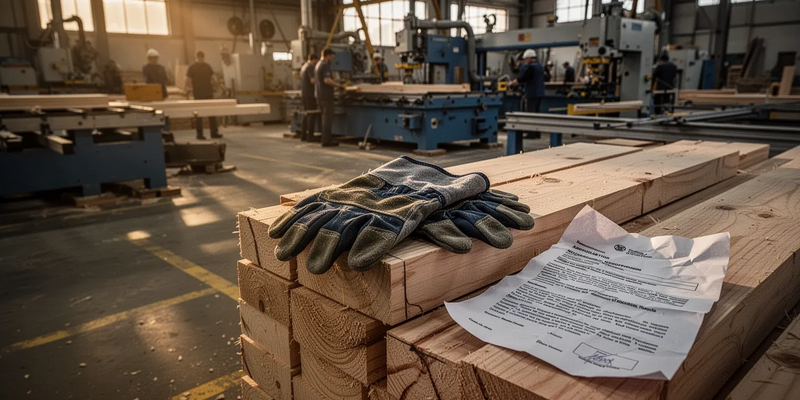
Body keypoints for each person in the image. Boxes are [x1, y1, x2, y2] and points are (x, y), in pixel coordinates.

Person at [185, 51, 222, 139]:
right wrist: (186, 89)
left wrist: (217, 86)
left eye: (202, 57)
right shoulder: (192, 67)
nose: (200, 59)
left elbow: (213, 77)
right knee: (199, 115)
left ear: (203, 57)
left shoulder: (207, 66)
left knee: (212, 114)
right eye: (199, 57)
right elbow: (188, 79)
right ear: (196, 57)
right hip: (198, 94)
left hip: (208, 93)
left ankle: (214, 133)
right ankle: (199, 134)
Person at [315, 48, 344, 147]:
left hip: (320, 95)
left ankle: (325, 139)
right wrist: (339, 86)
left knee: (325, 119)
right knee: (327, 119)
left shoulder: (318, 65)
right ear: (327, 55)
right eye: (331, 56)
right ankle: (326, 141)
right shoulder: (325, 65)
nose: (332, 58)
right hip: (326, 96)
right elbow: (327, 80)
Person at [511, 49, 546, 113]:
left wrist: (512, 83)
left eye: (526, 59)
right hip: (539, 93)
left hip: (531, 93)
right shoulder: (540, 66)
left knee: (530, 112)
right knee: (536, 111)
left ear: (530, 58)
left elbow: (524, 77)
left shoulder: (531, 67)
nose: (525, 61)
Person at [299, 53, 320, 142]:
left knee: (306, 114)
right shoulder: (310, 67)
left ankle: (303, 135)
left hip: (304, 94)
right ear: (314, 60)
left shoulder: (303, 67)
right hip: (310, 95)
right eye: (316, 61)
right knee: (311, 115)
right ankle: (310, 136)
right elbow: (312, 80)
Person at [652, 51, 678, 115]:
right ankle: (667, 112)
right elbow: (674, 77)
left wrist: (651, 87)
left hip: (660, 87)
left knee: (657, 101)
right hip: (670, 86)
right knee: (667, 100)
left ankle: (657, 113)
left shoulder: (660, 66)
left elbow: (654, 77)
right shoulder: (674, 66)